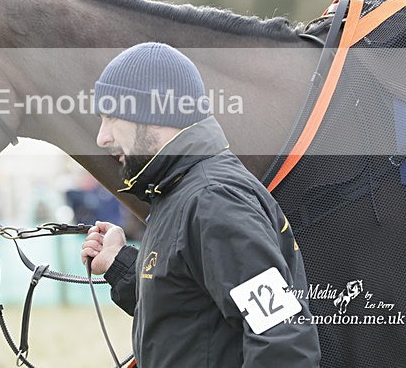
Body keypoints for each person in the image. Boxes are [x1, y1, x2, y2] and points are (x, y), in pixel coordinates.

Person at [81, 42, 320, 367]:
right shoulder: (176, 191)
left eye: (111, 117)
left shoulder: (213, 200)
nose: (102, 137)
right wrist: (118, 264)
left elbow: (283, 338)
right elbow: (190, 312)